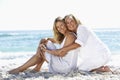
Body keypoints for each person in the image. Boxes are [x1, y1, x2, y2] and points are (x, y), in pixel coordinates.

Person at [8, 17, 80, 74]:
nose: (60, 28)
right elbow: (47, 39)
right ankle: (37, 66)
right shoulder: (66, 36)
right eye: (58, 27)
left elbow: (61, 54)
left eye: (61, 25)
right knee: (44, 41)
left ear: (65, 24)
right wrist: (42, 45)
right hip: (65, 64)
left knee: (43, 49)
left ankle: (21, 69)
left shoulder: (70, 36)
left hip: (65, 67)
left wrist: (45, 50)